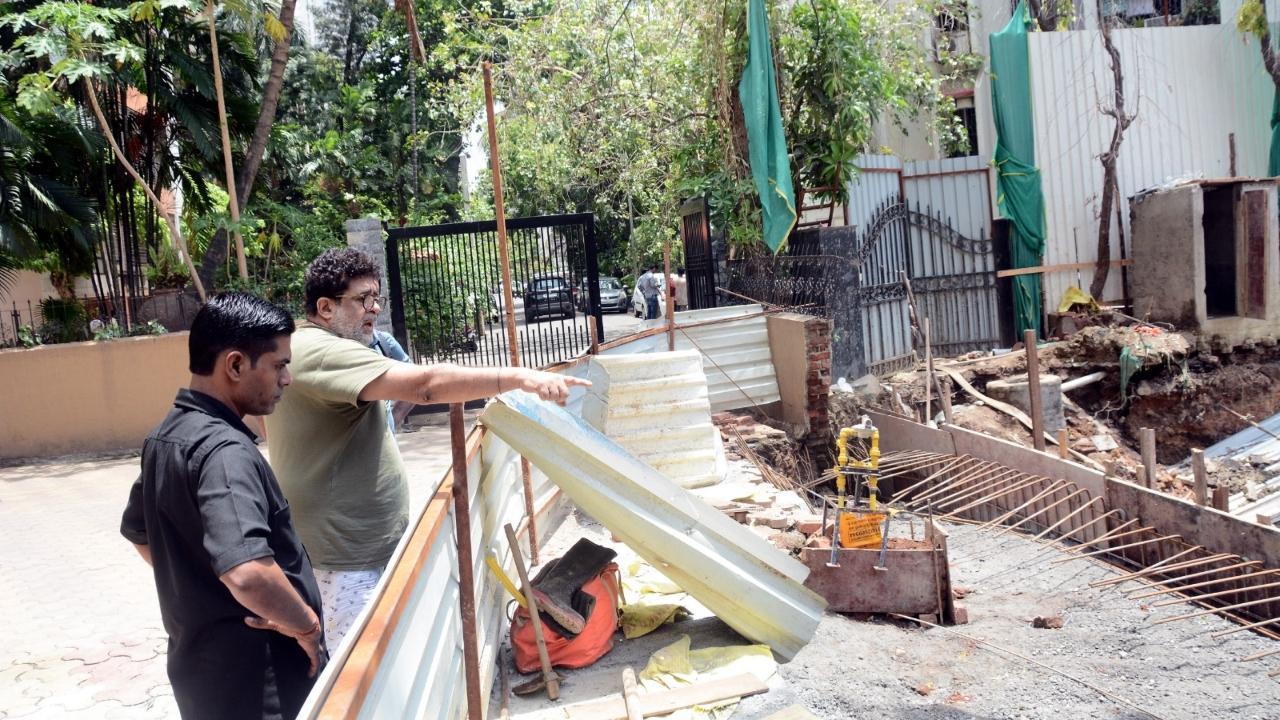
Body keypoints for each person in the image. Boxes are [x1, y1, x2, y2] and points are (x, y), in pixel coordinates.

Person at [266, 248, 589, 648]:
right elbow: (426, 386)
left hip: (358, 549)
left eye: (377, 298)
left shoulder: (344, 346)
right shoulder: (320, 349)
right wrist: (520, 377)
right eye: (363, 299)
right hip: (345, 562)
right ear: (325, 307)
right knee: (365, 678)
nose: (374, 308)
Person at [120, 292, 325, 720]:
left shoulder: (166, 435)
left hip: (202, 675)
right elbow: (248, 573)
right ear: (234, 365)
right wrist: (304, 626)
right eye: (279, 365)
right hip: (257, 681)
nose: (286, 379)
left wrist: (202, 586)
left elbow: (140, 533)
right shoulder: (224, 452)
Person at [369, 329, 413, 432]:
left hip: (385, 442)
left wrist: (391, 422)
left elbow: (415, 381)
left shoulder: (384, 341)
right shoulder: (333, 345)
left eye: (378, 311)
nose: (375, 311)